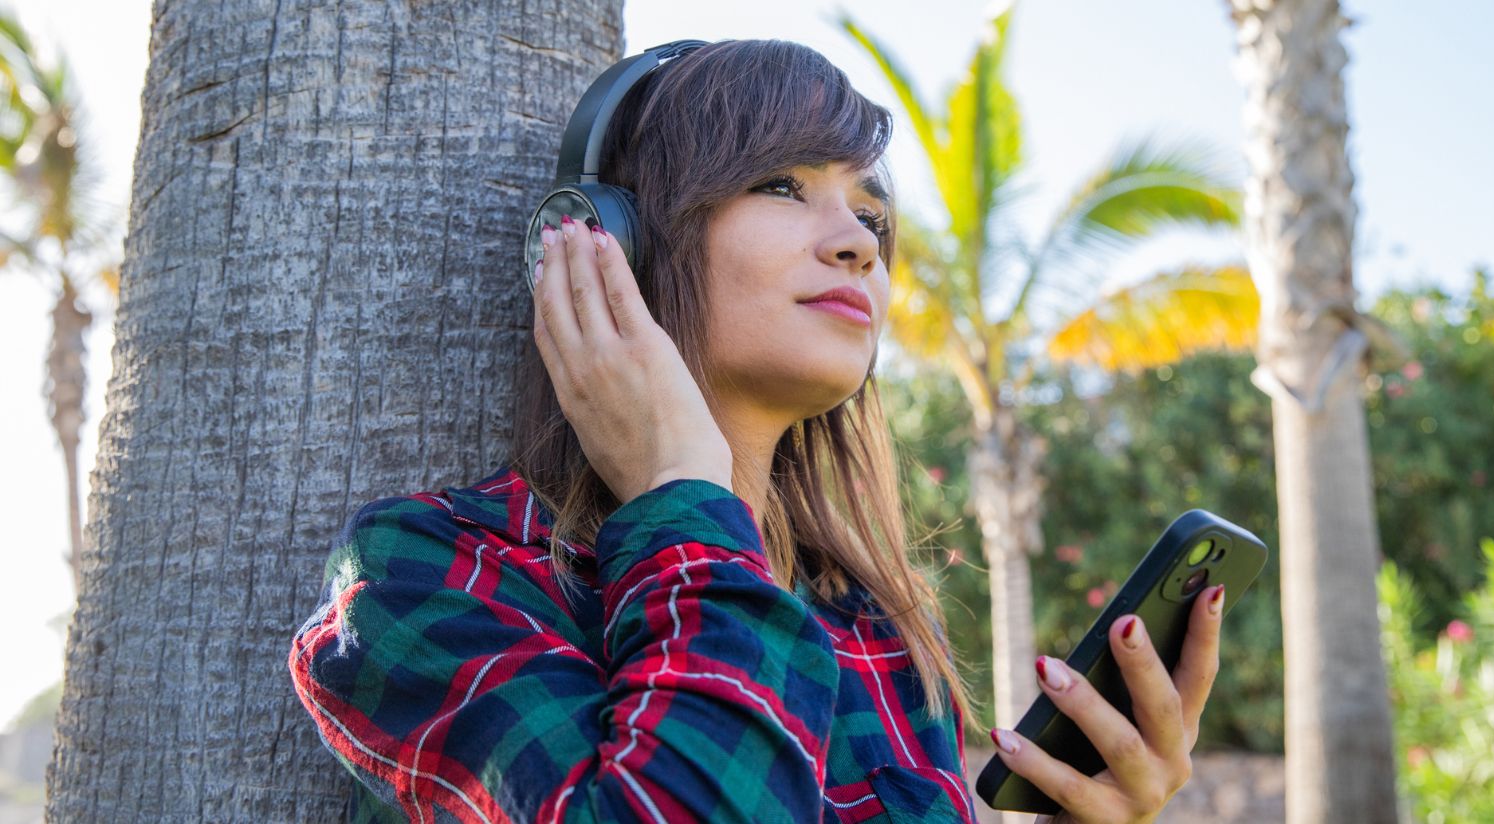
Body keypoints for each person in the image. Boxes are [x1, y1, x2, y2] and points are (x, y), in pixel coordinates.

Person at [288, 38, 1224, 823]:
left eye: (869, 212)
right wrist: (681, 493)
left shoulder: (880, 628)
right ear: (610, 238)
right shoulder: (430, 576)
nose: (860, 241)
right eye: (782, 184)